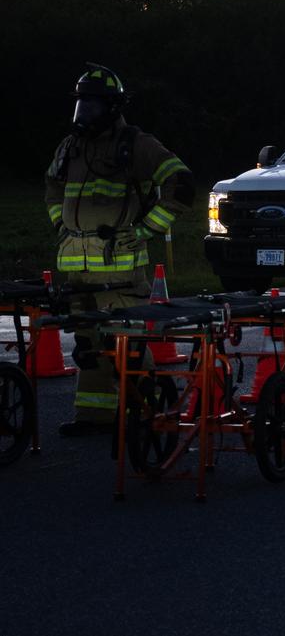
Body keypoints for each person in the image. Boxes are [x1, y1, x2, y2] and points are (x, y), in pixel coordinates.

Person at [43, 65, 192, 437]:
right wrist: (61, 225)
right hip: (79, 272)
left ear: (111, 107)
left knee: (128, 345)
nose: (85, 114)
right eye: (82, 105)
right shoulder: (71, 146)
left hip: (121, 270)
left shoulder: (136, 145)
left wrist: (145, 231)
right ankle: (95, 417)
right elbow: (52, 187)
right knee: (88, 346)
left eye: (93, 106)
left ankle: (153, 412)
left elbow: (182, 184)